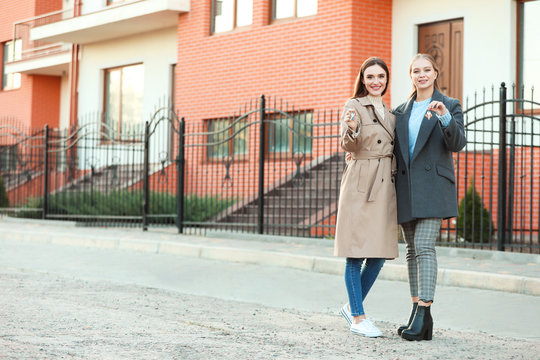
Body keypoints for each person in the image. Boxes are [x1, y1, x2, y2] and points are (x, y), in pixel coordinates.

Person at [393, 53, 467, 341]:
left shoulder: (449, 105)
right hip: (407, 188)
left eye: (426, 70)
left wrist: (444, 118)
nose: (421, 75)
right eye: (415, 70)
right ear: (410, 75)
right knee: (411, 250)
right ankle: (417, 314)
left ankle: (425, 312)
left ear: (436, 73)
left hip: (434, 187)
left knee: (424, 246)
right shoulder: (400, 110)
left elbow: (458, 142)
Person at [334, 57, 398, 337]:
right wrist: (352, 128)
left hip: (385, 184)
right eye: (370, 76)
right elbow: (348, 144)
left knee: (379, 254)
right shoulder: (354, 106)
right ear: (362, 79)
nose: (375, 81)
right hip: (361, 182)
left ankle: (351, 306)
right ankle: (358, 318)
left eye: (380, 76)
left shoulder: (391, 112)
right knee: (355, 252)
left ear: (386, 79)